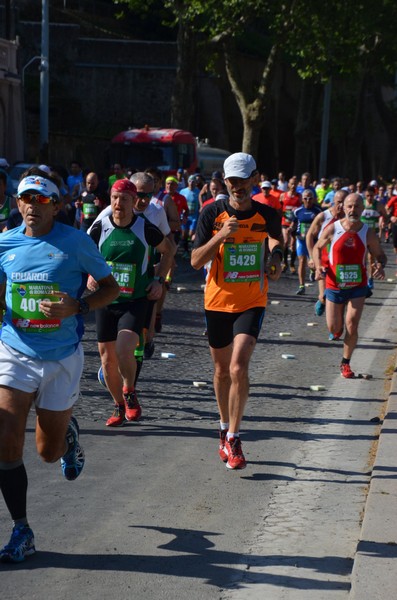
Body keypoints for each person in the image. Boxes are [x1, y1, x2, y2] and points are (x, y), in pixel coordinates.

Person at [0, 173, 119, 563]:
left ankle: (67, 437)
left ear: (55, 204)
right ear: (17, 204)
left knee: (48, 453)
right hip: (15, 351)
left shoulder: (75, 242)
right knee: (6, 442)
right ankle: (22, 529)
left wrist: (77, 306)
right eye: (25, 198)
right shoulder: (5, 244)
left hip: (62, 358)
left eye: (40, 198)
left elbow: (111, 287)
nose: (31, 204)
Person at [191, 152, 283, 470]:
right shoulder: (211, 214)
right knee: (220, 372)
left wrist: (275, 262)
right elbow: (195, 261)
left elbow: (275, 245)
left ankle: (234, 437)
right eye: (232, 180)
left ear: (254, 178)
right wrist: (221, 235)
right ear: (225, 181)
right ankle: (222, 426)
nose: (237, 185)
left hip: (251, 300)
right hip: (217, 301)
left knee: (238, 367)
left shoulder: (267, 214)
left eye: (243, 179)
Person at [88, 179, 174, 427]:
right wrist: (92, 275)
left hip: (135, 300)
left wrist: (159, 280)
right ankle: (118, 405)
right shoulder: (99, 227)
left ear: (133, 201)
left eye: (124, 199)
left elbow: (169, 250)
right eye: (115, 198)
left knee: (124, 349)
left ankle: (129, 391)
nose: (118, 204)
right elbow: (85, 254)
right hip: (106, 299)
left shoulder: (145, 228)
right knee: (106, 360)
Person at [313, 193, 386, 378]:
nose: (353, 210)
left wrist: (379, 264)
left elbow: (380, 255)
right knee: (334, 328)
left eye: (357, 206)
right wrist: (318, 266)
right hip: (334, 284)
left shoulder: (368, 233)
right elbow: (317, 248)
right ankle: (334, 325)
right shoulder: (333, 228)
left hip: (357, 285)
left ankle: (345, 362)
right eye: (350, 206)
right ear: (344, 208)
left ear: (363, 209)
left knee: (352, 325)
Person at [306, 189, 347, 316]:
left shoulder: (349, 219)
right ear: (333, 201)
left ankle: (335, 328)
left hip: (340, 263)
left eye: (344, 203)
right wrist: (312, 258)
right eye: (339, 202)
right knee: (324, 296)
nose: (341, 205)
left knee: (339, 297)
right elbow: (309, 236)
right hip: (323, 262)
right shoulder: (323, 216)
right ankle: (322, 301)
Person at [291, 190, 322, 295]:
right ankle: (301, 286)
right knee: (302, 261)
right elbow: (294, 223)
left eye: (310, 198)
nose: (308, 200)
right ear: (302, 199)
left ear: (313, 199)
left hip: (313, 241)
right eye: (305, 198)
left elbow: (322, 225)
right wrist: (290, 230)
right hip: (301, 239)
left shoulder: (318, 211)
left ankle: (312, 271)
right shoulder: (297, 211)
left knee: (313, 263)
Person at [280, 178, 302, 273]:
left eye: (295, 184)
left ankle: (292, 264)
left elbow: (301, 210)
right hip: (285, 222)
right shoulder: (283, 195)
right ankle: (284, 262)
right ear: (288, 184)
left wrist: (295, 222)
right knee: (285, 242)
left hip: (295, 223)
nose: (293, 186)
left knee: (293, 245)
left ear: (297, 185)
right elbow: (280, 208)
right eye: (291, 184)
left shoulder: (299, 196)